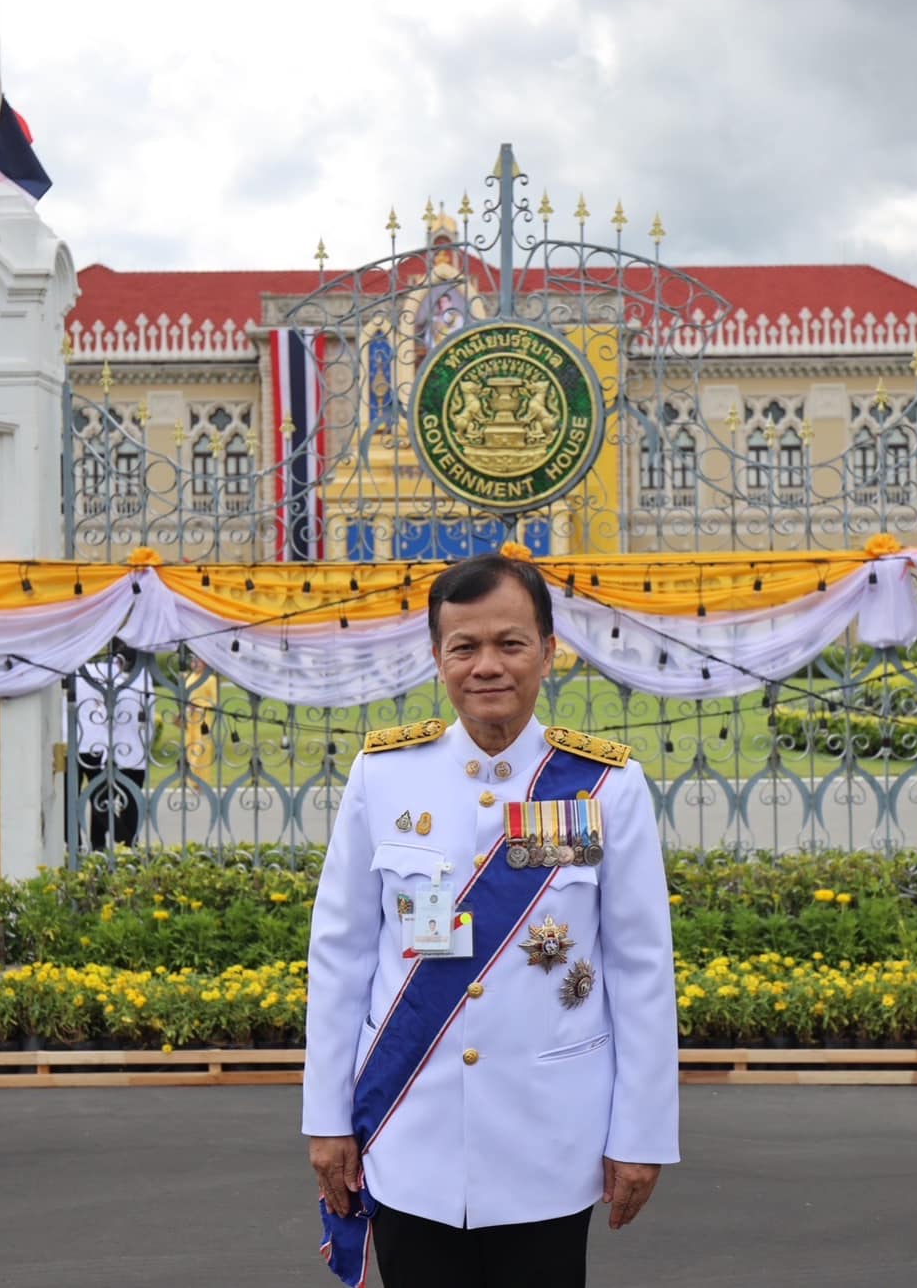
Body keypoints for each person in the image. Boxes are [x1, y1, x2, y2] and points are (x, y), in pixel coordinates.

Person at [304, 551, 678, 1288]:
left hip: (550, 1135)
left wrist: (642, 1134)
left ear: (548, 649)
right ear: (437, 658)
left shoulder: (605, 786)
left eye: (510, 644)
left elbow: (640, 967)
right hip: (411, 1124)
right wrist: (326, 1117)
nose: (488, 667)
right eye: (464, 647)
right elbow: (341, 953)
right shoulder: (384, 776)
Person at [69, 640, 154, 851]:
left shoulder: (140, 679)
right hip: (115, 753)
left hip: (130, 752)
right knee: (102, 800)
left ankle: (126, 845)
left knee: (128, 801)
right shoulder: (116, 677)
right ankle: (105, 845)